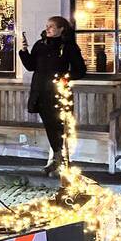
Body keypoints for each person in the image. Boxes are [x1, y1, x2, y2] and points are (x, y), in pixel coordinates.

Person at [19, 16, 87, 176]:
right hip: (41, 91)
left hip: (58, 92)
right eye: (47, 26)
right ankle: (57, 158)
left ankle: (62, 160)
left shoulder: (69, 46)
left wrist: (66, 77)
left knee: (60, 126)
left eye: (51, 26)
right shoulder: (40, 44)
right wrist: (24, 52)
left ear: (61, 29)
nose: (48, 29)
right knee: (50, 126)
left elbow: (80, 70)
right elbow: (31, 66)